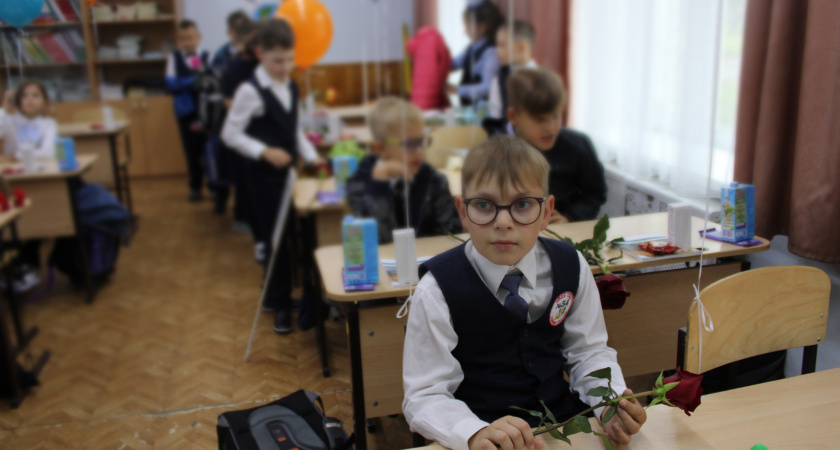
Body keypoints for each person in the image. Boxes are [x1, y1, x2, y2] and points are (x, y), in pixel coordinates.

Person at [402, 135, 645, 450]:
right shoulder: (436, 290)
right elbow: (425, 395)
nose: (503, 222)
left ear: (546, 212)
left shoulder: (571, 265)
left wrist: (608, 403)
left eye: (523, 204)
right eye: (484, 205)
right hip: (484, 436)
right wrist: (473, 432)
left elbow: (588, 352)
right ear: (462, 211)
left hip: (563, 428)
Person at [222, 19, 323, 334]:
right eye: (277, 60)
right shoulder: (249, 91)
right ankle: (279, 303)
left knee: (290, 236)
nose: (284, 67)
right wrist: (264, 151)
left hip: (288, 177)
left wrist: (313, 157)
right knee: (274, 240)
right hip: (262, 178)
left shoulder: (290, 86)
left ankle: (278, 295)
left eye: (289, 59)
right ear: (260, 54)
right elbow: (230, 134)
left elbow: (293, 131)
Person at [346, 97, 462, 244]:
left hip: (429, 257)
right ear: (381, 148)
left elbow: (452, 235)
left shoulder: (434, 180)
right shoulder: (360, 182)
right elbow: (375, 240)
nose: (419, 151)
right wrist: (379, 185)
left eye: (421, 141)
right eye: (409, 144)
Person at [506, 68, 607, 222]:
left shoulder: (578, 145)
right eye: (540, 119)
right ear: (514, 116)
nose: (551, 128)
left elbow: (595, 193)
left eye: (556, 116)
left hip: (564, 227)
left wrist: (570, 217)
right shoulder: (499, 152)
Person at [0, 81, 57, 291]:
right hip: (12, 182)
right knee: (13, 223)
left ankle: (28, 264)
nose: (30, 100)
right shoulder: (10, 121)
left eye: (35, 95)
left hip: (39, 179)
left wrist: (15, 156)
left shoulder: (48, 124)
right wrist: (4, 109)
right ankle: (14, 267)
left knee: (39, 217)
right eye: (24, 96)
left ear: (45, 102)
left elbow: (48, 152)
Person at [166, 19, 210, 202]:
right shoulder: (174, 58)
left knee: (208, 150)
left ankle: (214, 187)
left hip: (206, 111)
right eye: (182, 39)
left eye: (190, 37)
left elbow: (210, 82)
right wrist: (194, 81)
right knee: (191, 152)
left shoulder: (207, 56)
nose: (187, 42)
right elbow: (170, 84)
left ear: (198, 37)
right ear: (178, 40)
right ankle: (195, 187)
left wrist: (188, 82)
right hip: (186, 113)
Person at [452, 0, 503, 107]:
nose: (465, 32)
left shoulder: (491, 52)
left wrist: (457, 89)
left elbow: (487, 87)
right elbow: (452, 64)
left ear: (482, 27)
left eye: (468, 27)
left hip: (483, 111)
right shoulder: (471, 49)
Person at [488, 20, 538, 119]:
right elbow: (496, 118)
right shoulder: (499, 82)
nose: (497, 50)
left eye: (502, 45)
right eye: (497, 45)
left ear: (521, 47)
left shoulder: (542, 80)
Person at [210, 10, 251, 77]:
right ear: (229, 32)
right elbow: (214, 75)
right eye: (238, 30)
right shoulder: (221, 54)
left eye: (245, 29)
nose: (242, 34)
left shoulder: (255, 50)